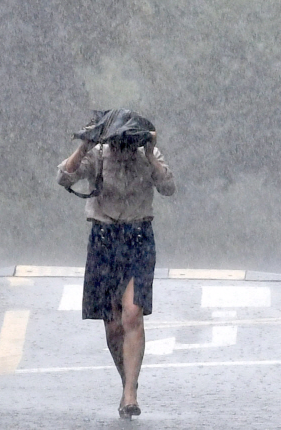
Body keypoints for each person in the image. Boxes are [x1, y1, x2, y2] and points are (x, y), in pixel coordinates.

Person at [56, 125, 175, 418]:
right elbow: (63, 177)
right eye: (118, 143)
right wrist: (84, 146)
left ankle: (130, 393)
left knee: (132, 314)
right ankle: (127, 383)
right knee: (112, 327)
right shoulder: (98, 155)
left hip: (138, 238)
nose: (123, 150)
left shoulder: (148, 156)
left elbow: (169, 187)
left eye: (128, 143)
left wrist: (150, 153)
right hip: (104, 239)